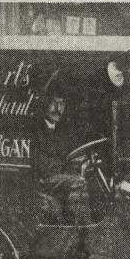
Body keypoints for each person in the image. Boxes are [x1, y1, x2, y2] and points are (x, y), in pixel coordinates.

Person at [32, 96, 91, 225]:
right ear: (45, 103)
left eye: (62, 103)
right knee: (79, 183)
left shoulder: (61, 131)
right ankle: (84, 233)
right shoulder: (36, 130)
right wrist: (67, 170)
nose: (58, 109)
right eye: (54, 103)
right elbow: (43, 167)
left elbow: (69, 155)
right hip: (44, 180)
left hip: (56, 178)